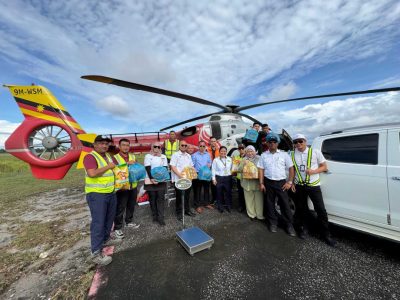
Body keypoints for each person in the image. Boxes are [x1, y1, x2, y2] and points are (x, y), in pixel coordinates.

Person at [290, 134, 336, 246]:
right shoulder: (291, 154)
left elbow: (324, 167)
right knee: (302, 209)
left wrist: (314, 171)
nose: (298, 144)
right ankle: (305, 229)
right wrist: (291, 181)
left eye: (300, 141)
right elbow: (292, 170)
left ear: (305, 141)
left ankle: (326, 235)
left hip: (313, 185)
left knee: (320, 210)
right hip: (299, 185)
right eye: (295, 142)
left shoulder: (315, 152)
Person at [83, 135, 122, 266]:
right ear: (94, 145)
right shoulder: (90, 157)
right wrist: (109, 166)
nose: (104, 146)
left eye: (106, 144)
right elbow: (92, 173)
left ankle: (106, 239)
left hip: (110, 193)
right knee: (98, 222)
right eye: (101, 143)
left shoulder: (108, 156)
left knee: (109, 219)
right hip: (97, 195)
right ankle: (95, 253)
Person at [257, 132, 296, 236]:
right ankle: (273, 223)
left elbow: (291, 168)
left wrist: (290, 182)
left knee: (285, 204)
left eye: (274, 142)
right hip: (268, 182)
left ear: (277, 143)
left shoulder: (284, 154)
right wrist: (261, 183)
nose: (272, 144)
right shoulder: (263, 155)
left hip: (281, 183)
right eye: (270, 142)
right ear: (267, 144)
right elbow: (261, 169)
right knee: (269, 204)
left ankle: (289, 225)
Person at [113, 139, 140, 239]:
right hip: (122, 187)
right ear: (119, 146)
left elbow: (136, 168)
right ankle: (117, 227)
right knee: (120, 207)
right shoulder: (115, 158)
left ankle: (129, 221)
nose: (125, 147)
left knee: (131, 205)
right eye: (123, 145)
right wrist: (127, 164)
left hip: (133, 185)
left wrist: (136, 164)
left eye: (127, 145)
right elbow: (114, 170)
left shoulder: (133, 156)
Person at [144, 142, 169, 226]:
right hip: (151, 180)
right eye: (155, 146)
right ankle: (154, 215)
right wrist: (152, 179)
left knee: (160, 199)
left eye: (159, 147)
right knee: (152, 198)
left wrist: (160, 178)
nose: (157, 148)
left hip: (161, 181)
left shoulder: (163, 156)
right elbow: (147, 167)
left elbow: (165, 168)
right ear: (152, 147)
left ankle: (161, 218)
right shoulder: (148, 156)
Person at [170, 140, 196, 221]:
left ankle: (187, 210)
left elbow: (191, 166)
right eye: (182, 145)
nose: (184, 147)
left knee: (187, 196)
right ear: (179, 146)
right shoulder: (175, 155)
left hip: (188, 180)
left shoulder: (188, 155)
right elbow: (173, 166)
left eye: (185, 145)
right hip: (179, 180)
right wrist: (180, 175)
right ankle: (179, 213)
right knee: (179, 197)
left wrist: (192, 175)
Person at [237, 145, 264, 221]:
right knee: (249, 200)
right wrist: (243, 164)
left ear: (255, 151)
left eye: (251, 151)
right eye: (248, 151)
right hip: (247, 183)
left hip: (257, 182)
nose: (250, 153)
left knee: (259, 200)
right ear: (246, 152)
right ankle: (252, 215)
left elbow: (262, 169)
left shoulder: (259, 158)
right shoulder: (244, 159)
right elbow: (238, 170)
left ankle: (260, 215)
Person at [191, 140, 213, 213]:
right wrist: (195, 173)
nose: (202, 147)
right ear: (198, 146)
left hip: (206, 174)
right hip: (198, 175)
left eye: (204, 146)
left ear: (205, 146)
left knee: (207, 189)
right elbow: (192, 165)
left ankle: (206, 203)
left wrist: (209, 165)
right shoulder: (194, 155)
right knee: (197, 190)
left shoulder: (207, 154)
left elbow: (210, 162)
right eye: (201, 146)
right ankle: (197, 205)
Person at [212, 146, 233, 213]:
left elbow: (232, 168)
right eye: (222, 151)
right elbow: (213, 169)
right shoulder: (216, 160)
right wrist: (213, 179)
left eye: (224, 151)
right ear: (219, 152)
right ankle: (220, 207)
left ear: (226, 152)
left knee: (228, 193)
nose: (223, 152)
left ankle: (228, 206)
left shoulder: (230, 159)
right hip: (219, 178)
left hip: (228, 178)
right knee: (219, 193)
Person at [231, 143, 246, 212]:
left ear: (245, 148)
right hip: (239, 178)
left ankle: (247, 206)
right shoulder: (236, 157)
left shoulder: (248, 156)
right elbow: (234, 168)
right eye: (240, 148)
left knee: (247, 193)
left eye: (243, 148)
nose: (241, 150)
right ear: (238, 149)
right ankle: (241, 206)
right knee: (240, 193)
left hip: (247, 178)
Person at [207, 136, 220, 204]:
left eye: (214, 141)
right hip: (210, 169)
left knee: (218, 184)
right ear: (210, 142)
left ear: (216, 142)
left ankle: (218, 198)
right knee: (212, 185)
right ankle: (213, 198)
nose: (213, 142)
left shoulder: (219, 149)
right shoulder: (207, 150)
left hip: (218, 170)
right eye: (212, 141)